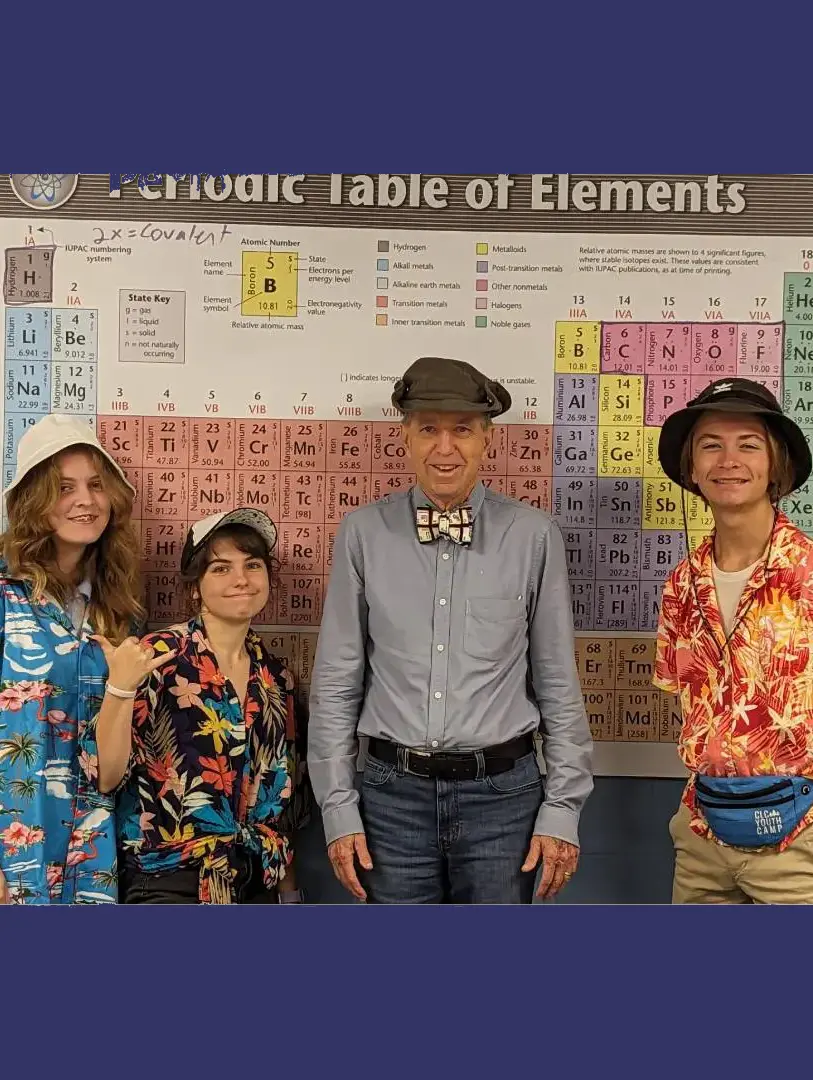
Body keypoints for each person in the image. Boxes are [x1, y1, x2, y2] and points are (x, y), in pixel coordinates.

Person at [308, 356, 594, 904]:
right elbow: (338, 681)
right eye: (428, 430)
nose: (445, 448)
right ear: (405, 438)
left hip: (505, 798)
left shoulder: (532, 536)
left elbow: (558, 684)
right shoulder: (362, 533)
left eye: (462, 429)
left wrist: (562, 810)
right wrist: (338, 808)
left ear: (488, 438)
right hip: (391, 799)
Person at [94, 507, 310, 904]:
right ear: (194, 586)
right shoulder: (156, 657)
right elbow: (106, 776)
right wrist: (121, 689)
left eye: (253, 565)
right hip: (170, 879)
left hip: (255, 877)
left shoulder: (277, 679)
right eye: (221, 568)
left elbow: (282, 806)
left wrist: (290, 895)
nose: (241, 579)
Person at [653, 377, 813, 903]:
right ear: (692, 468)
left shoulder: (809, 574)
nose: (729, 460)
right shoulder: (681, 583)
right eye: (711, 445)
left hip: (800, 842)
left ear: (776, 464)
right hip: (704, 837)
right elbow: (687, 701)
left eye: (748, 445)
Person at [0, 413, 144, 904]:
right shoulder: (4, 593)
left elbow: (111, 769)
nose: (86, 500)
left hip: (94, 853)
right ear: (35, 502)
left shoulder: (119, 610)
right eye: (64, 488)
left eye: (96, 485)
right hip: (14, 850)